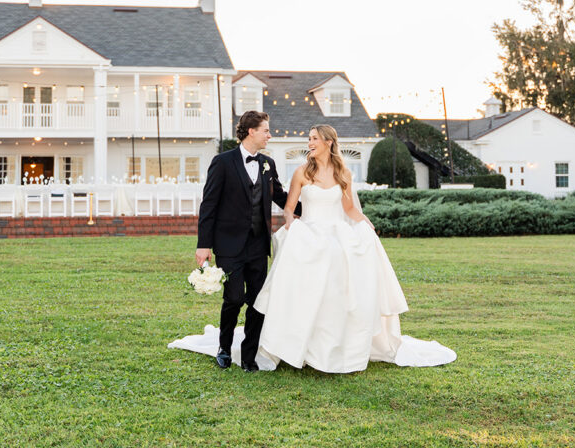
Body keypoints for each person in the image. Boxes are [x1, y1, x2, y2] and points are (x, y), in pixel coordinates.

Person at [253, 124, 455, 372]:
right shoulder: (302, 172)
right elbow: (289, 207)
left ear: (328, 142)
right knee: (313, 275)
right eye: (309, 139)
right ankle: (298, 341)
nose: (310, 143)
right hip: (310, 231)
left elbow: (349, 210)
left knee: (342, 272)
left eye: (314, 138)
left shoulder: (343, 173)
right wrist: (291, 225)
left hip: (337, 231)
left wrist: (366, 224)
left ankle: (340, 341)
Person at [192, 110, 297, 372]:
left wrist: (313, 209)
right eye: (266, 130)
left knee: (258, 301)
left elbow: (281, 197)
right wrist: (203, 245)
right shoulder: (222, 162)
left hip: (258, 245)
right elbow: (209, 206)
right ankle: (224, 348)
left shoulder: (268, 164)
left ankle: (249, 355)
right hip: (228, 244)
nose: (269, 135)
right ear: (251, 131)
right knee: (234, 297)